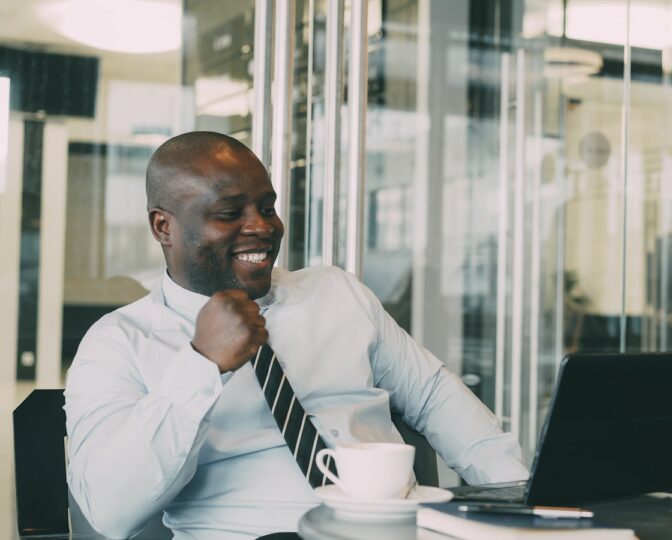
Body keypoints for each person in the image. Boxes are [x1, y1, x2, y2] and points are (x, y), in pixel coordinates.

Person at [64, 131, 528, 539]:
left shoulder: (336, 293)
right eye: (230, 213)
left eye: (267, 208)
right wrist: (202, 364)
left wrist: (525, 500)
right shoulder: (118, 343)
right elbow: (109, 513)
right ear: (164, 227)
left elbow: (433, 396)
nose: (262, 227)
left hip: (390, 529)